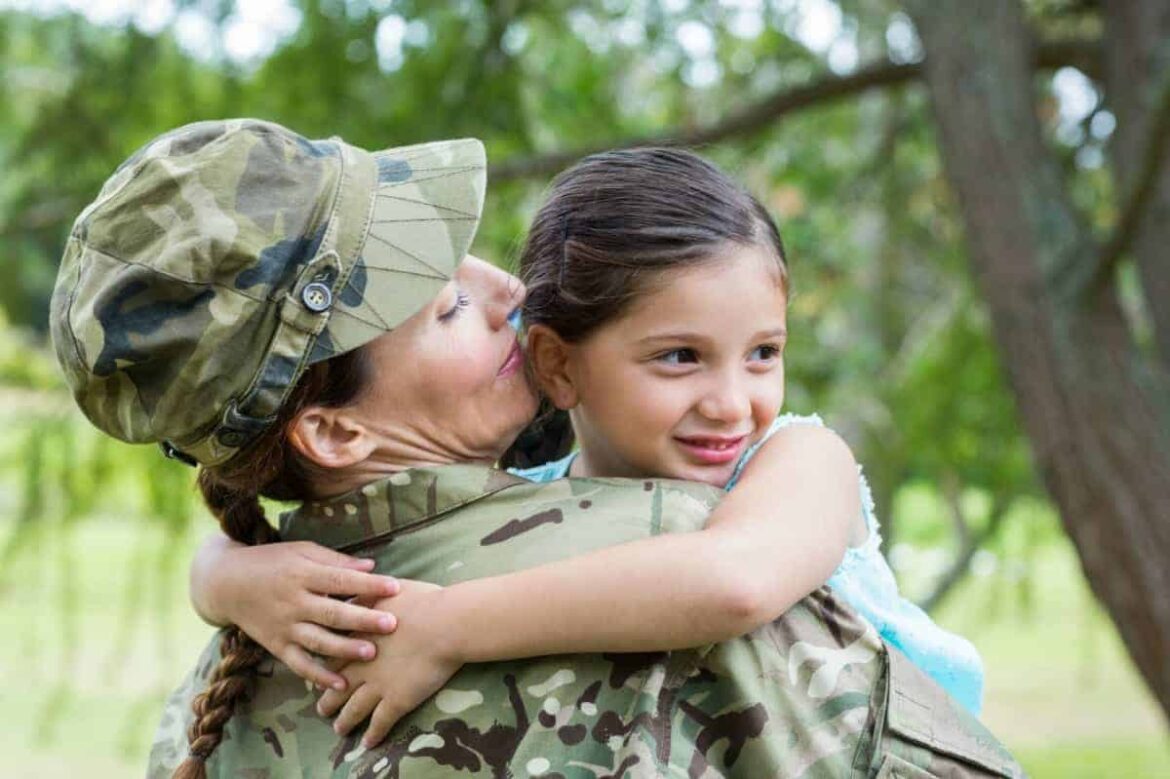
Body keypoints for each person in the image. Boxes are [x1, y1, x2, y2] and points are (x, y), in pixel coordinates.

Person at [50, 118, 1021, 777]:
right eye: (449, 305)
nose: (513, 291)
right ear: (335, 428)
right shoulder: (655, 546)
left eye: (763, 351)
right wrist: (229, 572)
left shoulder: (215, 697)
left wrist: (232, 576)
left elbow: (739, 568)